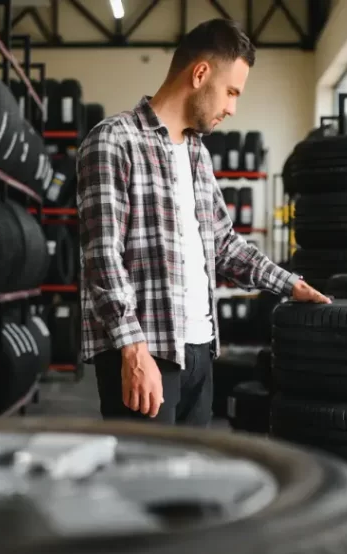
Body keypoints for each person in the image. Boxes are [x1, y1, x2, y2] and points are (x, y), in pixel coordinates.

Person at [75, 17, 331, 426]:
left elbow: (223, 243)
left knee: (193, 468)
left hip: (199, 351)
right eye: (231, 92)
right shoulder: (114, 140)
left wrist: (289, 284)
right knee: (147, 468)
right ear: (200, 74)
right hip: (147, 353)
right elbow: (102, 257)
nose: (232, 108)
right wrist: (132, 349)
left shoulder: (197, 154)